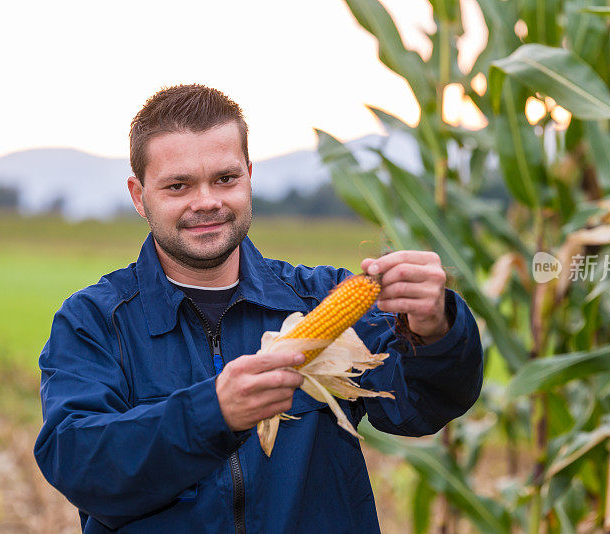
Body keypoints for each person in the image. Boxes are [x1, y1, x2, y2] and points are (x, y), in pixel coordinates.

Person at [34, 84, 484, 533]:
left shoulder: (323, 297)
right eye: (178, 185)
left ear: (249, 175)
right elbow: (79, 463)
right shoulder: (93, 322)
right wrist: (211, 412)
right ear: (139, 195)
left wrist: (436, 326)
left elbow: (420, 407)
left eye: (225, 179)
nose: (207, 201)